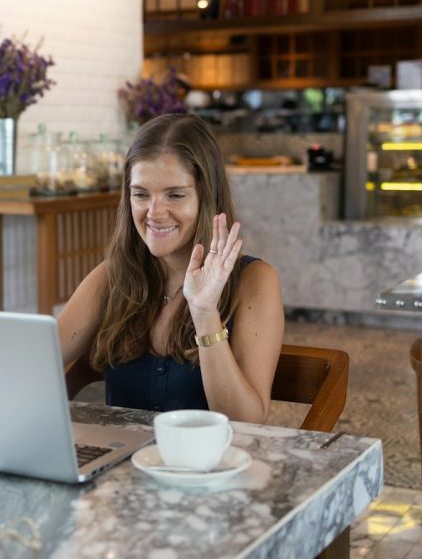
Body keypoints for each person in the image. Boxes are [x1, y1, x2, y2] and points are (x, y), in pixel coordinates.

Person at [57, 113, 284, 424]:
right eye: (141, 194)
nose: (154, 213)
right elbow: (38, 359)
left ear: (207, 196)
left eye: (175, 195)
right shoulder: (113, 275)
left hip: (213, 456)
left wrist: (204, 313)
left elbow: (246, 422)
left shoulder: (255, 281)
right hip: (124, 456)